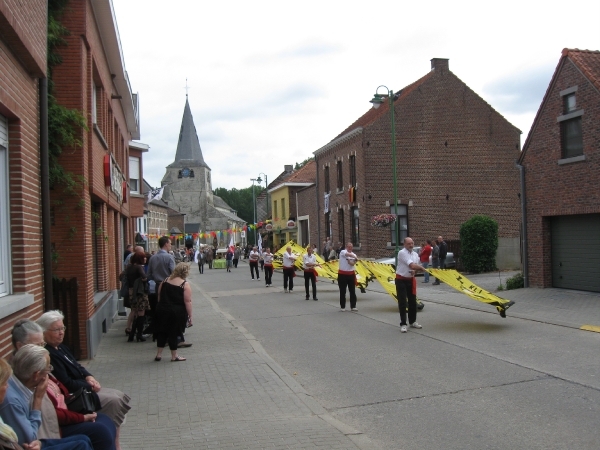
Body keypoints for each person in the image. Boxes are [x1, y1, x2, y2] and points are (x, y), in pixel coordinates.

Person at [11, 322, 116, 450]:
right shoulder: (29, 376)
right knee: (97, 433)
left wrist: (88, 378)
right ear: (20, 346)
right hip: (54, 427)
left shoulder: (43, 364)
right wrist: (81, 417)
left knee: (104, 421)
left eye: (42, 344)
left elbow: (66, 385)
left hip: (67, 410)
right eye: (37, 345)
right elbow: (45, 419)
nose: (43, 349)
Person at [37, 312, 130, 449]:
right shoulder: (49, 355)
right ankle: (115, 444)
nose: (61, 333)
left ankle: (115, 440)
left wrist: (89, 377)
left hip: (83, 388)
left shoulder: (61, 347)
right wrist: (89, 385)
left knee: (119, 395)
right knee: (114, 401)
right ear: (44, 332)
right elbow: (67, 383)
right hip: (77, 396)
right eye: (57, 330)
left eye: (63, 328)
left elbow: (77, 365)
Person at [0, 348, 93, 450]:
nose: (7, 386)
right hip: (27, 445)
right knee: (81, 445)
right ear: (36, 375)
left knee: (84, 439)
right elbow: (29, 439)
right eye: (48, 368)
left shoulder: (18, 385)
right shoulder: (11, 401)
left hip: (32, 443)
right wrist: (38, 399)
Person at [154, 263, 193, 362]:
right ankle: (174, 355)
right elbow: (187, 301)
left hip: (162, 309)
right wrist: (190, 316)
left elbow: (159, 295)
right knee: (173, 333)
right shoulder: (184, 284)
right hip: (176, 312)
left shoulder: (165, 280)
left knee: (162, 332)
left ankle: (159, 354)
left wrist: (161, 306)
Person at [395, 237, 426, 333]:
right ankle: (403, 324)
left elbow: (414, 268)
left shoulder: (416, 255)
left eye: (412, 243)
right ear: (404, 244)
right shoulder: (402, 253)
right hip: (401, 279)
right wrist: (421, 268)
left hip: (410, 280)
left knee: (413, 301)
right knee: (403, 302)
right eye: (409, 243)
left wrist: (415, 271)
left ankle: (413, 321)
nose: (411, 245)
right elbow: (412, 265)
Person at [125, 253, 149, 342]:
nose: (145, 259)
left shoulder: (129, 267)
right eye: (144, 257)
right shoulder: (139, 267)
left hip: (131, 291)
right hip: (139, 292)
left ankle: (131, 334)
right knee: (141, 312)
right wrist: (144, 279)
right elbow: (144, 277)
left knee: (134, 311)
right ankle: (139, 334)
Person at [338, 242, 358, 311]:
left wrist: (350, 262)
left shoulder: (354, 254)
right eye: (349, 247)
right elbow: (348, 254)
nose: (350, 248)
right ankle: (342, 306)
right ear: (346, 247)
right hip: (342, 274)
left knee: (352, 290)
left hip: (351, 274)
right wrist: (354, 257)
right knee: (342, 291)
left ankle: (353, 306)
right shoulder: (343, 252)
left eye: (351, 247)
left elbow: (353, 264)